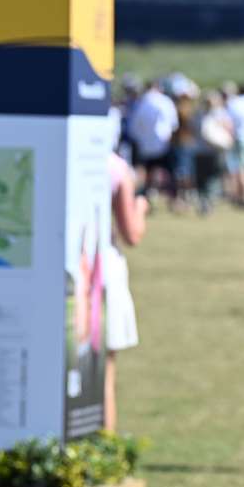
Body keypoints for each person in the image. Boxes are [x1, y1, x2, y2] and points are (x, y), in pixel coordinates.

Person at [103, 150, 148, 432]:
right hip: (101, 269)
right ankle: (102, 455)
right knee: (103, 377)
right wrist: (141, 207)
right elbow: (131, 233)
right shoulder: (115, 166)